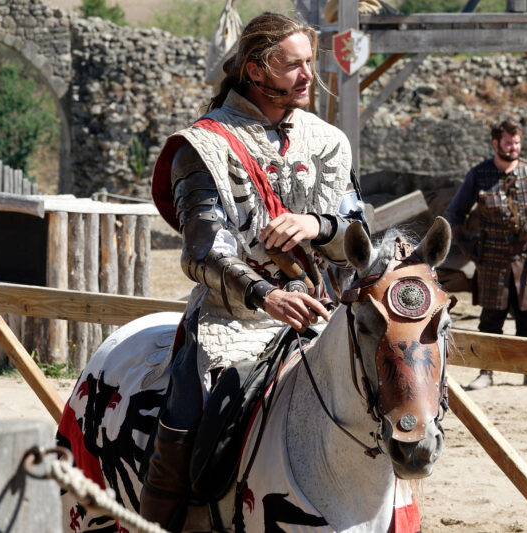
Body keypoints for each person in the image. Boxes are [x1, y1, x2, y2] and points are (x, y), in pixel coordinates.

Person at [145, 12, 364, 529]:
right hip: (234, 320)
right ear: (255, 70)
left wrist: (318, 224)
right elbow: (201, 253)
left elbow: (360, 236)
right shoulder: (202, 146)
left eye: (310, 62)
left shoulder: (329, 141)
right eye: (293, 66)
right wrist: (266, 296)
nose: (309, 75)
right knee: (189, 408)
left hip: (323, 314)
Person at [445, 119, 527, 391]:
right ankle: (486, 372)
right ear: (496, 143)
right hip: (492, 260)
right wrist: (469, 248)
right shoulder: (479, 174)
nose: (513, 147)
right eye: (508, 142)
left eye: (517, 142)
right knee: (491, 320)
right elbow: (455, 213)